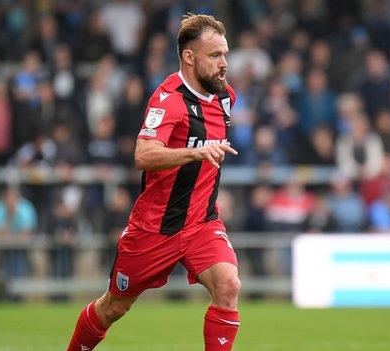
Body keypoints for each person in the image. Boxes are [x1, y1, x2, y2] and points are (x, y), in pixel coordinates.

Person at [66, 14, 241, 351]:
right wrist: (196, 152)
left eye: (225, 55)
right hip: (154, 228)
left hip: (201, 224)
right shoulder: (168, 100)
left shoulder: (225, 98)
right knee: (114, 307)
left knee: (228, 285)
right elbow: (144, 155)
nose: (224, 64)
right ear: (189, 57)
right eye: (215, 56)